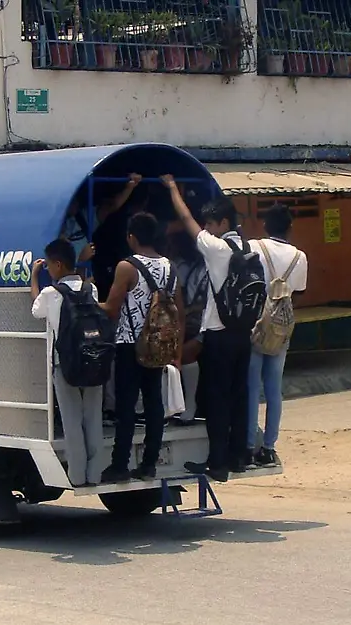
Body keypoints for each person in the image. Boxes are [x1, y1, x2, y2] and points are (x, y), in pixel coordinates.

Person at [162, 175, 252, 482]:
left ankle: (217, 463)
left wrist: (173, 189)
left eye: (211, 223)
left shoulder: (218, 249)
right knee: (240, 397)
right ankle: (239, 456)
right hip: (244, 335)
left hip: (219, 335)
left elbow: (186, 220)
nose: (207, 229)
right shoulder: (250, 248)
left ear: (222, 221)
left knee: (217, 400)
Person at [98, 212, 182, 483]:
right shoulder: (170, 267)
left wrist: (86, 300)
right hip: (158, 344)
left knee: (126, 407)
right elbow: (177, 308)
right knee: (154, 403)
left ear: (132, 237)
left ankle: (119, 465)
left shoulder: (127, 267)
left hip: (129, 345)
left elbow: (111, 308)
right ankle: (149, 464)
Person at [30, 239, 105, 487]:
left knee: (72, 420)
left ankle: (77, 475)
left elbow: (35, 310)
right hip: (93, 359)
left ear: (58, 265)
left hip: (65, 366)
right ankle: (95, 474)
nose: (49, 269)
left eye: (50, 265)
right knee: (93, 418)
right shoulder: (90, 290)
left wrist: (34, 277)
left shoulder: (50, 294)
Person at [247, 204, 308, 466]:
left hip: (255, 324)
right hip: (282, 326)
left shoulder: (253, 247)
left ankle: (249, 444)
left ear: (265, 226)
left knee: (251, 387)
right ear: (290, 228)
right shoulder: (299, 256)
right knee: (274, 389)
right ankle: (269, 447)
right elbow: (301, 291)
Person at [62, 173, 144, 276]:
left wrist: (130, 187)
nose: (74, 202)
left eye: (74, 199)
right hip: (70, 281)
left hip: (87, 281)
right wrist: (82, 260)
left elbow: (111, 207)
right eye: (70, 199)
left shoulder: (81, 219)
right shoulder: (54, 231)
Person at [167, 221, 209, 424]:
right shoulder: (198, 266)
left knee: (184, 355)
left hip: (200, 322)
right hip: (196, 321)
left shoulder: (183, 267)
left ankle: (189, 406)